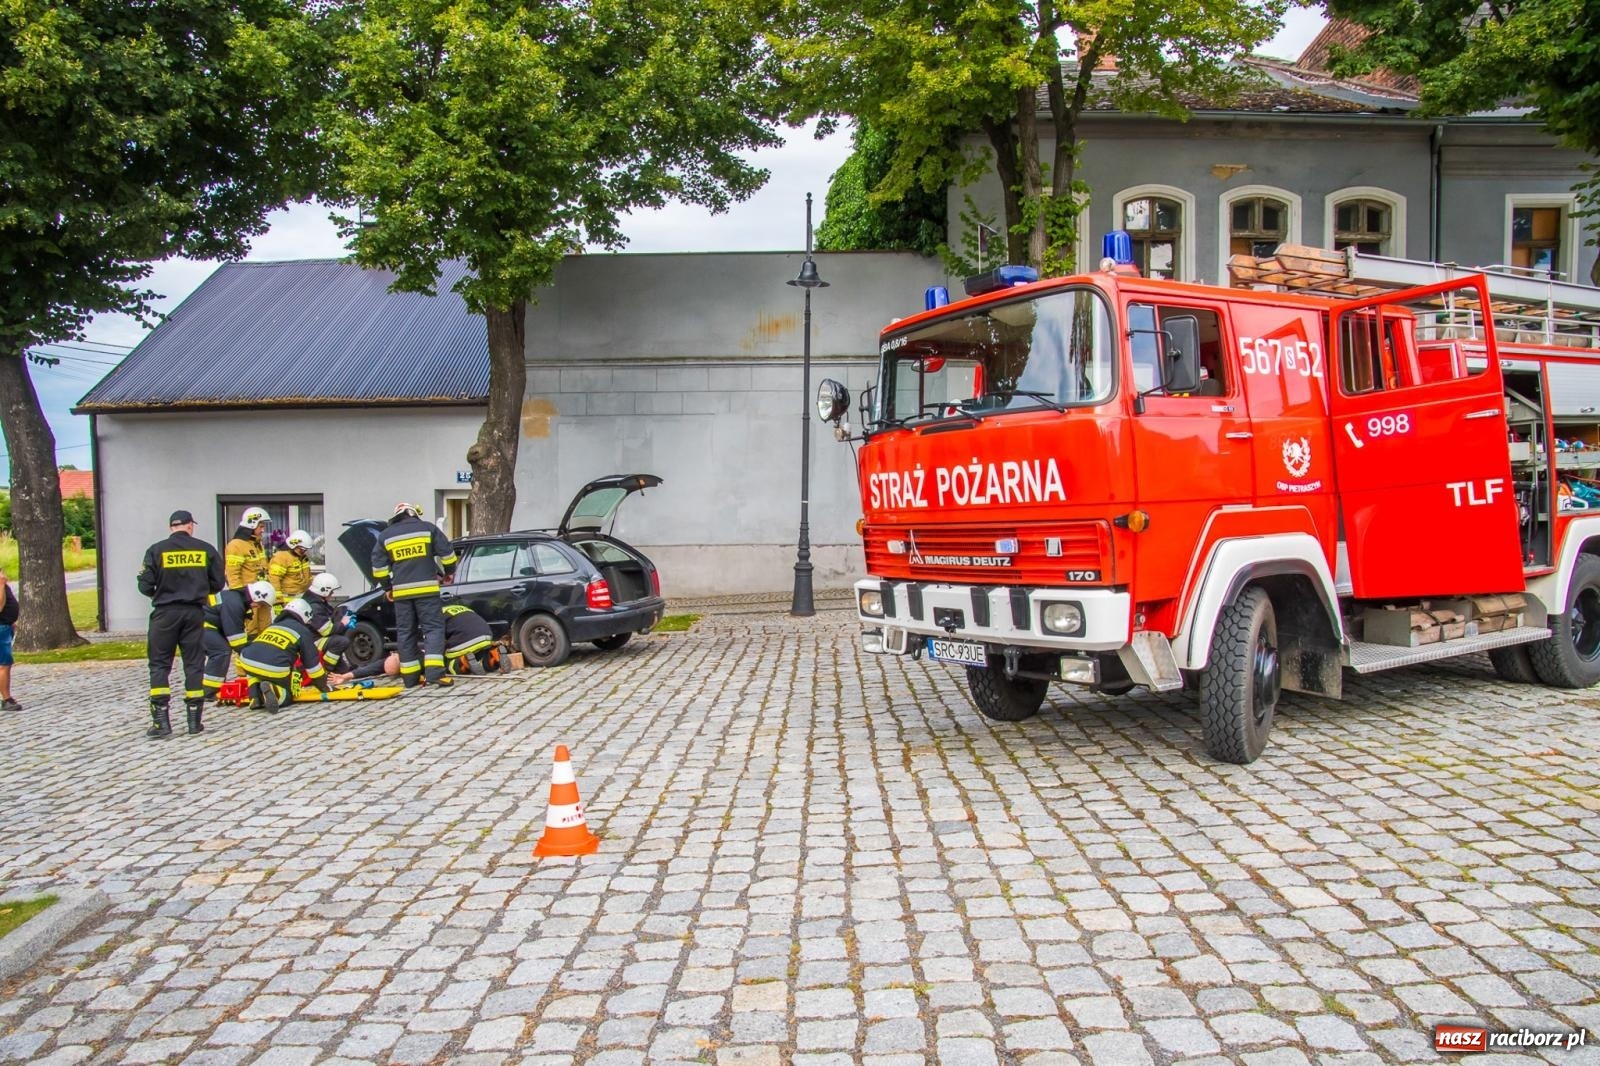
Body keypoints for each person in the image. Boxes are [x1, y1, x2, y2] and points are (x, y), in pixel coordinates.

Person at [138, 509, 226, 738]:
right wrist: (197, 589)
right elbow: (218, 583)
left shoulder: (156, 550)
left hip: (165, 613)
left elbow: (144, 585)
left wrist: (162, 592)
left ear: (171, 527)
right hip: (194, 613)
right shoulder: (206, 550)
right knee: (194, 663)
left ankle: (161, 723)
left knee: (159, 664)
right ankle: (194, 722)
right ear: (190, 526)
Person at [370, 501, 458, 688]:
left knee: (405, 633)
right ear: (413, 513)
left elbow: (378, 569)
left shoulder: (386, 536)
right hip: (427, 591)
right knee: (433, 629)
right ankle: (434, 674)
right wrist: (449, 572)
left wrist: (388, 588)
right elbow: (448, 553)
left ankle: (410, 678)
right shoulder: (427, 529)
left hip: (402, 594)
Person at [238, 597, 329, 713]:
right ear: (305, 615)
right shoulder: (303, 631)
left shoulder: (272, 626)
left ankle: (255, 697)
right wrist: (323, 686)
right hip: (275, 667)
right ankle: (275, 691)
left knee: (254, 673)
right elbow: (312, 664)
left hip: (247, 660)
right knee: (288, 694)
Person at [202, 580, 275, 700]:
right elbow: (235, 639)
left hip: (205, 623)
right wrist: (252, 655)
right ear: (255, 596)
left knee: (220, 650)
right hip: (200, 624)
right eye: (260, 604)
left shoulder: (236, 599)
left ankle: (210, 688)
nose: (258, 607)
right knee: (221, 651)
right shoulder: (235, 604)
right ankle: (208, 691)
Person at [225, 506, 272, 639]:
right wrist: (242, 598)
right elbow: (233, 574)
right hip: (249, 596)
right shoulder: (236, 545)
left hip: (263, 595)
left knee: (266, 627)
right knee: (251, 629)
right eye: (261, 526)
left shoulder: (257, 544)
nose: (263, 530)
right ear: (252, 524)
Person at [268, 530, 314, 604]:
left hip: (302, 597)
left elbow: (308, 577)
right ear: (293, 544)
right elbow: (274, 579)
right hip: (288, 600)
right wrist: (278, 601)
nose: (304, 552)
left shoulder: (302, 557)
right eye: (302, 549)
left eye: (305, 550)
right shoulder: (281, 557)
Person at [0, 570, 19, 711]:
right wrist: (1, 584)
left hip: (5, 625)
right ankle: (7, 700)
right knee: (4, 664)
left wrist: (10, 619)